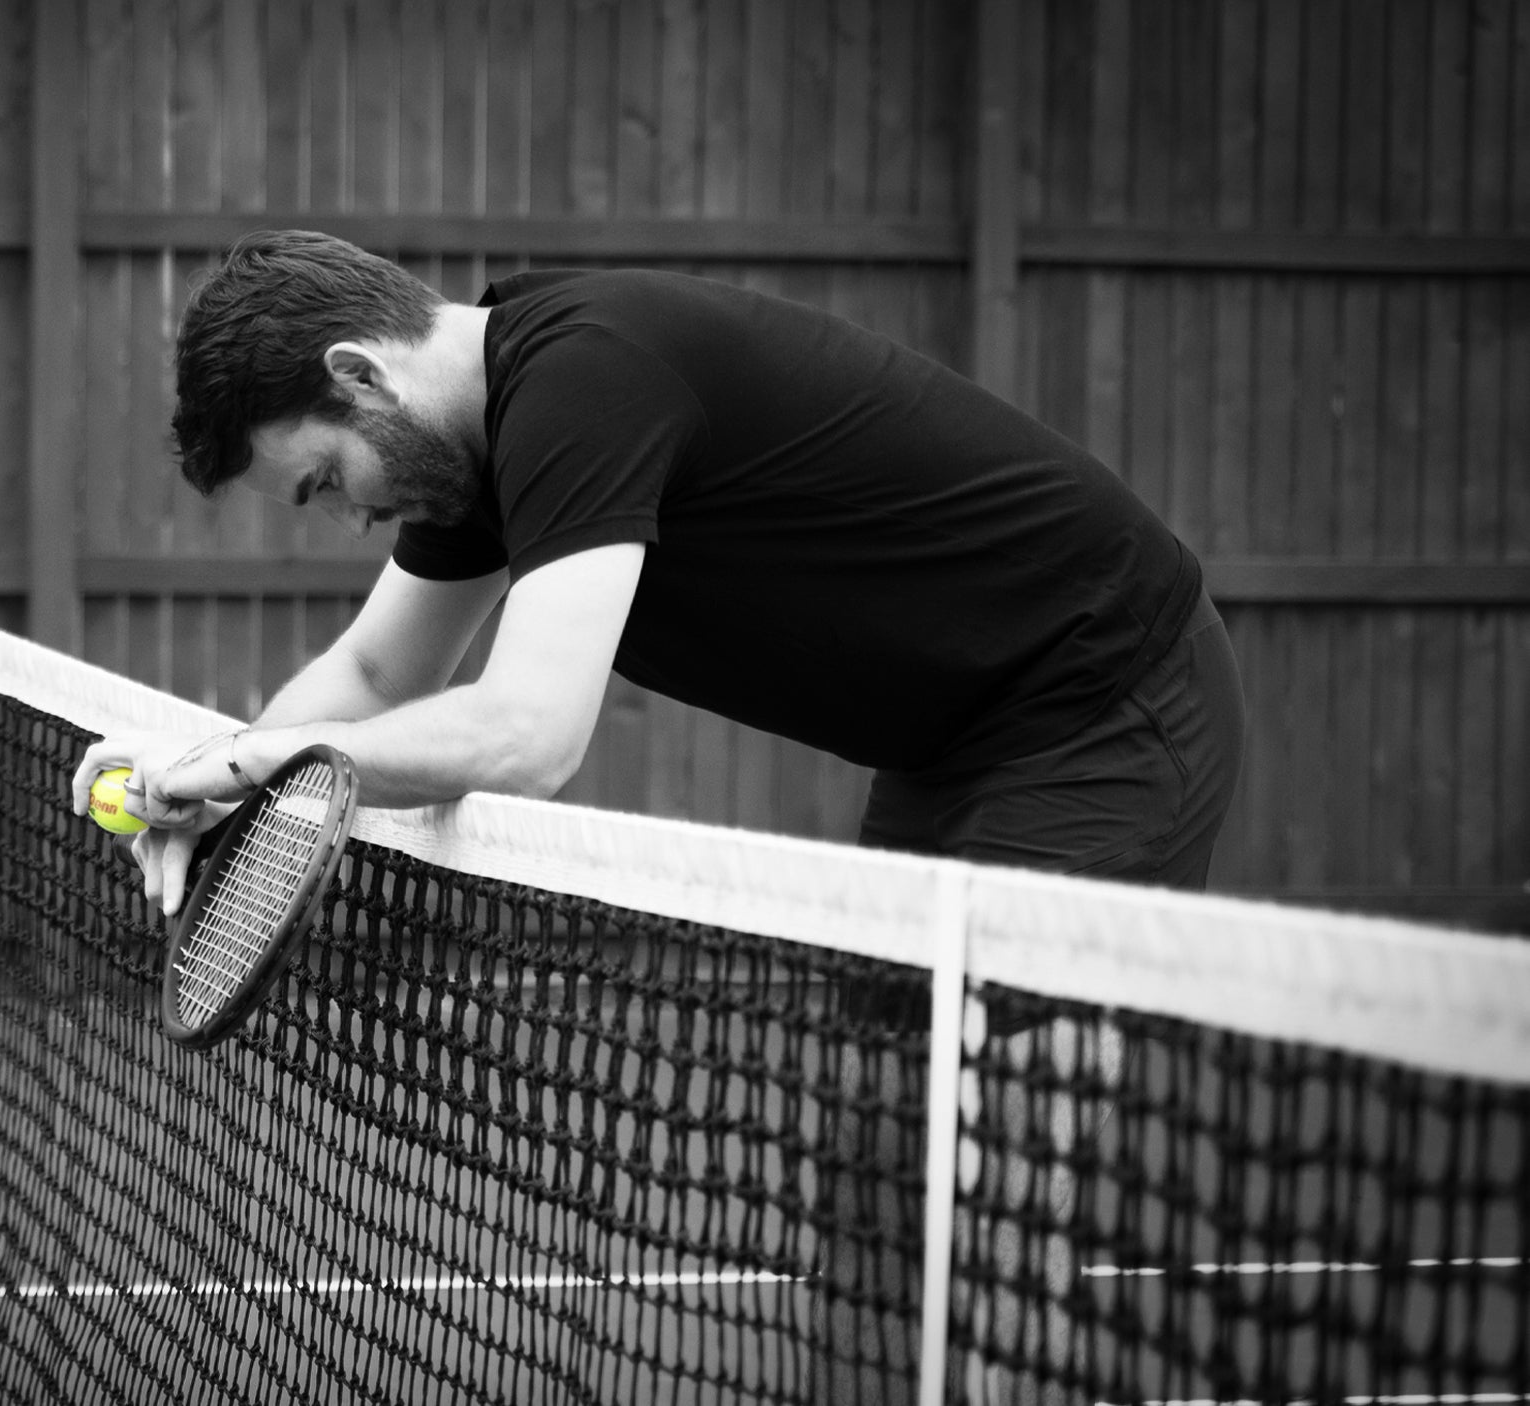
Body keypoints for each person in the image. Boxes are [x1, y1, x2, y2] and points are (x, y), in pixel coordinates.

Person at [67, 229, 1246, 1401]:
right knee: (883, 1146)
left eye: (324, 480)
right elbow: (376, 677)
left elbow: (529, 734)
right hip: (952, 745)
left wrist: (259, 762)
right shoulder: (480, 453)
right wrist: (211, 777)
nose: (347, 518)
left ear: (359, 374)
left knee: (993, 1151)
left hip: (1105, 701)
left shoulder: (586, 379)